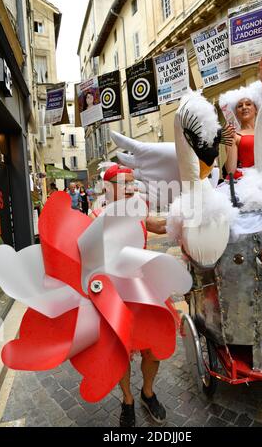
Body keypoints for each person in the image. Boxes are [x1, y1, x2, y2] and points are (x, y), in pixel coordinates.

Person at [90, 164, 167, 427]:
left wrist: (183, 221)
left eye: (133, 182)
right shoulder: (96, 213)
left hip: (145, 289)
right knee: (121, 352)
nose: (130, 188)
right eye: (124, 183)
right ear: (108, 187)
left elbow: (156, 224)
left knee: (153, 350)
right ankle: (128, 399)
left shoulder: (139, 207)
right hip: (114, 294)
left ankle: (148, 392)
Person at [219, 57, 262, 179]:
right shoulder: (234, 135)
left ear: (256, 109)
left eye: (248, 104)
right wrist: (229, 140)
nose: (244, 107)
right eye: (240, 106)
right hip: (247, 184)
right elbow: (231, 170)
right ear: (236, 112)